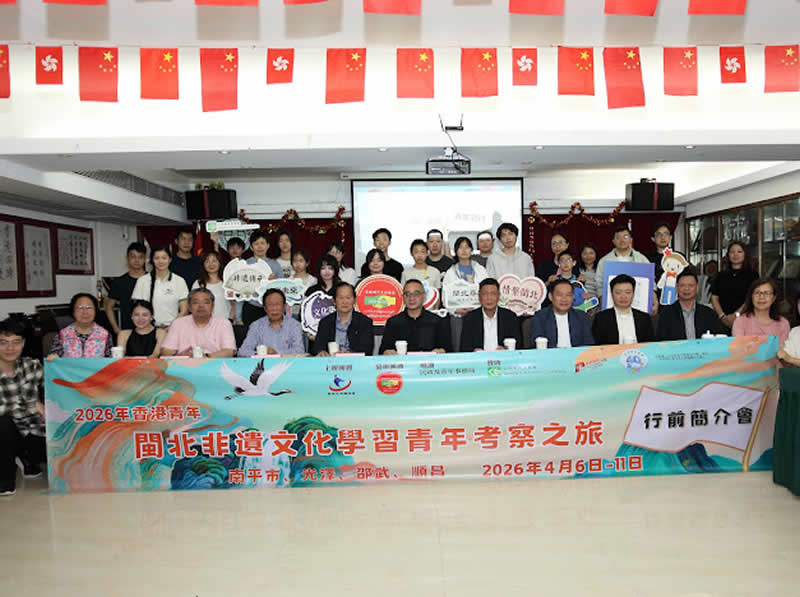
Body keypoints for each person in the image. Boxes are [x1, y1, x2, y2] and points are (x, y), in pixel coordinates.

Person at [0, 318, 47, 496]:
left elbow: (59, 388)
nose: (10, 348)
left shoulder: (32, 366)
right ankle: (5, 480)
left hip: (34, 432)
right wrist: (32, 406)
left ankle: (26, 458)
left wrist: (57, 364)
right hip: (6, 435)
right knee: (3, 423)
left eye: (16, 342)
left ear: (24, 343)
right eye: (3, 342)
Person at [380, 280, 452, 354]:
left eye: (416, 294)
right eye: (407, 294)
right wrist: (387, 352)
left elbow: (448, 350)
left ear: (424, 296)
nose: (411, 298)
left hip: (429, 361)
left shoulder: (437, 321)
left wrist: (442, 352)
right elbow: (383, 350)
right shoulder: (393, 322)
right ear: (403, 297)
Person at [160, 289, 236, 358]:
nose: (201, 306)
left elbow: (229, 351)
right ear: (189, 307)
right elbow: (166, 351)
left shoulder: (224, 324)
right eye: (196, 302)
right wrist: (180, 356)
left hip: (214, 364)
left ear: (213, 306)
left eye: (206, 302)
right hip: (184, 365)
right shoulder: (178, 323)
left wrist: (206, 357)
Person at [656, 270, 726, 341]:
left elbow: (718, 338)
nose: (686, 289)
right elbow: (661, 341)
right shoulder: (667, 313)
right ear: (676, 288)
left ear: (697, 288)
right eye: (682, 285)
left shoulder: (708, 313)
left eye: (691, 285)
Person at [131, 246, 189, 327]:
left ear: (170, 260)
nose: (160, 261)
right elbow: (137, 310)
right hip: (147, 329)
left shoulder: (179, 281)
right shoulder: (142, 281)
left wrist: (171, 327)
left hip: (173, 328)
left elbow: (184, 310)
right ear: (152, 260)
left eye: (164, 258)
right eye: (157, 258)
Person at [527, 279, 594, 349]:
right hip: (550, 355)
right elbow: (537, 345)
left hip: (577, 355)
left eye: (568, 295)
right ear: (550, 297)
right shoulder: (540, 317)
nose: (564, 299)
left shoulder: (581, 316)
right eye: (559, 295)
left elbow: (588, 344)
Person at [596, 225, 652, 307]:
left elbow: (651, 282)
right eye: (618, 238)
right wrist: (602, 299)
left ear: (631, 240)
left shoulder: (642, 259)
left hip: (638, 302)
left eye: (625, 237)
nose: (622, 240)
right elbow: (599, 283)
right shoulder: (604, 261)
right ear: (613, 241)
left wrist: (653, 299)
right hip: (612, 303)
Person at [239, 289, 306, 357]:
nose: (274, 309)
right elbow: (243, 351)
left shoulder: (294, 325)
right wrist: (260, 354)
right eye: (270, 305)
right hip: (263, 363)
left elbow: (299, 351)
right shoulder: (256, 326)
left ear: (284, 307)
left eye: (277, 304)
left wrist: (276, 353)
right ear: (265, 308)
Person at [459, 278, 521, 352]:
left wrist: (506, 350)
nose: (489, 298)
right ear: (479, 296)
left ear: (499, 296)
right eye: (485, 294)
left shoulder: (510, 317)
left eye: (493, 294)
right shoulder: (470, 318)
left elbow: (519, 346)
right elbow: (464, 348)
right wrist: (474, 351)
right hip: (479, 358)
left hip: (503, 358)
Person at [314, 282, 375, 356]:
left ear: (354, 300)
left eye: (348, 298)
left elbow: (367, 350)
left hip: (355, 361)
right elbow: (318, 347)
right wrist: (321, 351)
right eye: (341, 298)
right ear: (334, 301)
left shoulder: (364, 322)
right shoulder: (325, 322)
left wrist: (349, 354)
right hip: (331, 361)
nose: (344, 302)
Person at [592, 274, 654, 345]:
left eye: (628, 292)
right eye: (618, 293)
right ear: (612, 294)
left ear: (633, 293)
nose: (623, 296)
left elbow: (651, 346)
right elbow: (596, 346)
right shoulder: (601, 318)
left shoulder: (644, 318)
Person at [711, 241, 759, 331]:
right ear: (728, 255)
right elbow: (714, 297)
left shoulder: (753, 275)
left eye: (739, 252)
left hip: (745, 318)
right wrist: (722, 316)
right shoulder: (720, 275)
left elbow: (752, 297)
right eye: (732, 252)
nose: (735, 254)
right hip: (722, 320)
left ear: (745, 254)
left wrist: (736, 315)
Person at [47, 293, 113, 358]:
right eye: (80, 308)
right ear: (73, 311)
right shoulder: (63, 335)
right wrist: (53, 357)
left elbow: (110, 360)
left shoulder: (105, 335)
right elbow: (54, 357)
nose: (85, 312)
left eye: (89, 307)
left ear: (95, 311)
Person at [242, 230, 284, 328]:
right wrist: (238, 317)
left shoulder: (275, 265)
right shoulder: (245, 265)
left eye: (262, 243)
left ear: (268, 245)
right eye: (256, 244)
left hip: (271, 308)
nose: (260, 247)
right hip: (251, 307)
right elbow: (240, 292)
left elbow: (282, 290)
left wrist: (274, 283)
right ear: (251, 247)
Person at [105, 241, 147, 336]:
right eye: (133, 256)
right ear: (127, 258)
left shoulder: (152, 280)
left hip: (150, 330)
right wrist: (116, 329)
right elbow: (109, 307)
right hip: (127, 331)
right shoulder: (119, 282)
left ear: (145, 259)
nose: (137, 260)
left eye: (140, 257)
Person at [732, 277, 790, 344]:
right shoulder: (740, 322)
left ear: (774, 298)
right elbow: (739, 348)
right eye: (757, 293)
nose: (761, 297)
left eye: (766, 293)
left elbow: (782, 349)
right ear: (751, 296)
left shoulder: (783, 324)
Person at [192, 251, 231, 322]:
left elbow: (234, 304)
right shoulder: (198, 283)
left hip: (225, 322)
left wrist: (230, 319)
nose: (211, 264)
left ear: (219, 263)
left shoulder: (228, 282)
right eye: (207, 261)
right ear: (203, 264)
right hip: (203, 322)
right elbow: (193, 304)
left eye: (214, 261)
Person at [647, 222, 673, 295]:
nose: (662, 237)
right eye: (659, 234)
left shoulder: (678, 257)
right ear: (653, 238)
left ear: (670, 237)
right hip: (653, 295)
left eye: (666, 234)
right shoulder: (647, 259)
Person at [778, 296, 800, 366]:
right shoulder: (794, 332)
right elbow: (785, 356)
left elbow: (788, 358)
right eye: (799, 302)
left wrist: (790, 359)